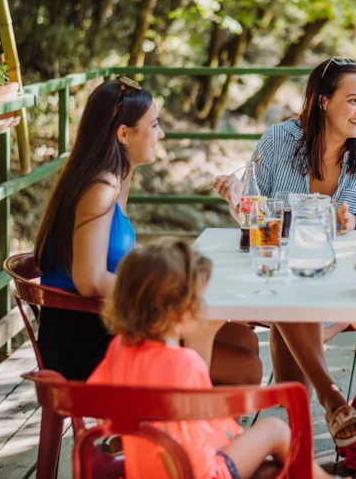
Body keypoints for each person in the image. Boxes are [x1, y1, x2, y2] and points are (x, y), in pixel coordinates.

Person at [212, 57, 356, 448]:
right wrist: (237, 198)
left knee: (289, 306)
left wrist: (355, 224)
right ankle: (326, 407)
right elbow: (254, 216)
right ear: (323, 101)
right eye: (353, 100)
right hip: (278, 285)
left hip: (342, 296)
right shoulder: (278, 141)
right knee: (290, 299)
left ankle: (301, 430)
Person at [34, 77, 261, 384]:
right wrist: (163, 303)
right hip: (84, 340)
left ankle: (185, 427)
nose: (161, 134)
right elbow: (89, 281)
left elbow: (116, 262)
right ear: (124, 134)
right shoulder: (99, 188)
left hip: (105, 320)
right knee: (246, 367)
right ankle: (175, 428)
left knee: (243, 340)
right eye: (154, 125)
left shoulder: (114, 177)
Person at [89, 238, 342, 479]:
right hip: (199, 473)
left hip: (143, 470)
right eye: (198, 299)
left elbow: (100, 406)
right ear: (180, 311)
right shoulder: (185, 363)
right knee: (275, 429)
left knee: (268, 461)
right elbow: (209, 429)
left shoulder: (119, 348)